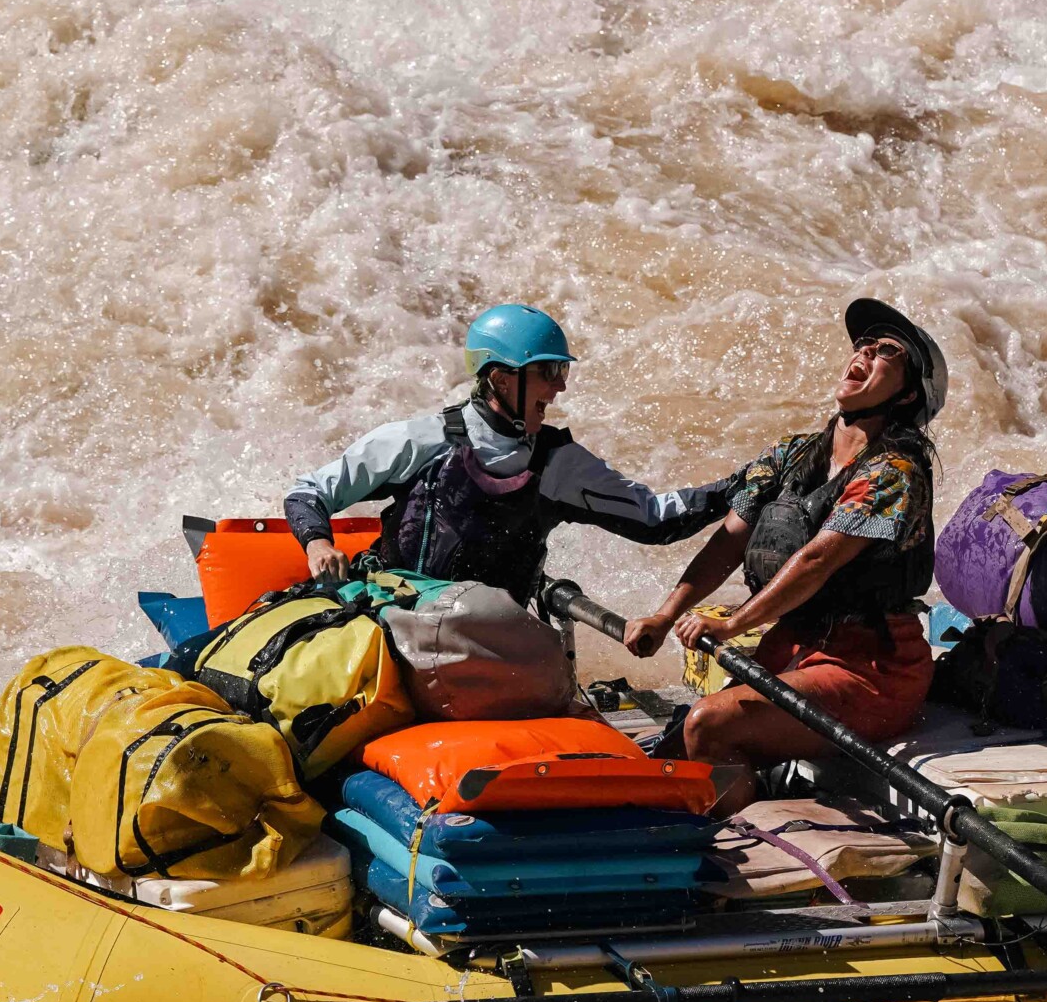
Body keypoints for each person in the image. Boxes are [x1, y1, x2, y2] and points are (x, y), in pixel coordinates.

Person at [625, 299, 945, 801]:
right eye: (863, 343)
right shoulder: (790, 454)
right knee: (674, 748)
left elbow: (818, 560)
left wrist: (732, 625)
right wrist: (665, 615)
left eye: (887, 350)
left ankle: (738, 855)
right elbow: (730, 537)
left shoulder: (895, 473)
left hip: (870, 671)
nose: (864, 351)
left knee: (708, 725)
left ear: (907, 395)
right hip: (795, 648)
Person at [286, 305, 733, 596]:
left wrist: (746, 484)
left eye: (562, 370)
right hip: (397, 616)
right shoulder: (420, 440)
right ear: (501, 379)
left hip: (492, 640)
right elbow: (307, 494)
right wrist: (319, 544)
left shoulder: (561, 463)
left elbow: (656, 519)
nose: (561, 384)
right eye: (549, 371)